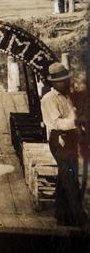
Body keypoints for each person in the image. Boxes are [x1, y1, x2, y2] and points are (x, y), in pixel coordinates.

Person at [40, 62, 87, 227]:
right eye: (61, 80)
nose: (65, 83)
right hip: (58, 139)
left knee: (66, 173)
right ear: (53, 82)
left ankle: (61, 213)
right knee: (69, 176)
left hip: (71, 138)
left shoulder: (67, 96)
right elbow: (57, 123)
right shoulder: (49, 99)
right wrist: (77, 120)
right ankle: (78, 216)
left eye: (66, 79)